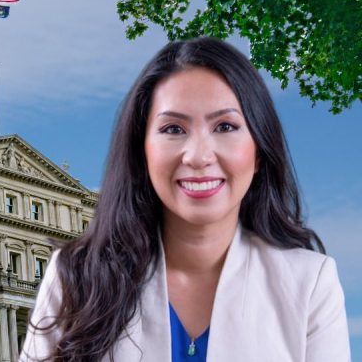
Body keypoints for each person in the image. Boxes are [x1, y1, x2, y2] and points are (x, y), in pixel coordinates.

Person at [20, 37, 350, 361]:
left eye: (225, 126)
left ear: (260, 149)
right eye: (174, 129)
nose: (198, 156)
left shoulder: (309, 283)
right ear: (142, 149)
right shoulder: (74, 276)